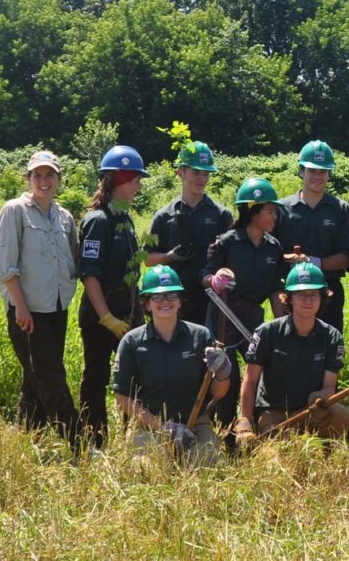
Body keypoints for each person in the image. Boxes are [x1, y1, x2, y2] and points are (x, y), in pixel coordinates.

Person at [0, 150, 81, 452]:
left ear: (59, 179)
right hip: (28, 313)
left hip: (57, 310)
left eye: (50, 175)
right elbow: (5, 266)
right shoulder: (14, 211)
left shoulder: (65, 217)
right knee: (51, 376)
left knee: (35, 378)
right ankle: (79, 443)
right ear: (29, 179)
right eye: (37, 175)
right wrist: (20, 306)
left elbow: (73, 259)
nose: (44, 181)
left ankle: (29, 441)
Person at [112, 265, 231, 465]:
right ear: (147, 304)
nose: (165, 302)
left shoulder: (200, 336)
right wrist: (164, 429)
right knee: (148, 468)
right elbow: (122, 397)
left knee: (209, 463)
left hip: (195, 424)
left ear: (179, 302)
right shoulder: (131, 342)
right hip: (148, 425)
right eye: (157, 297)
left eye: (171, 296)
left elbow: (218, 393)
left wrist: (223, 373)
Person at [201, 177, 288, 433]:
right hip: (223, 315)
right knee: (227, 376)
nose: (275, 217)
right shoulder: (226, 242)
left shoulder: (274, 247)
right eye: (270, 212)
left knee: (259, 371)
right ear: (253, 212)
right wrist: (214, 280)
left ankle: (254, 426)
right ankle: (225, 433)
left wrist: (281, 323)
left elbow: (274, 289)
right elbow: (203, 276)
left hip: (254, 315)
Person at [78, 144, 149, 448]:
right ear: (119, 179)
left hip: (128, 312)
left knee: (132, 379)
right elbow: (90, 274)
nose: (138, 185)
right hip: (100, 314)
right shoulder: (99, 221)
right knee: (96, 377)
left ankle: (132, 440)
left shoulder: (125, 218)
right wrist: (106, 317)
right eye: (135, 180)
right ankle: (95, 442)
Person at [234, 262, 349, 442]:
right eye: (300, 295)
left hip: (311, 411)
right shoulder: (267, 333)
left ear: (322, 298)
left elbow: (329, 386)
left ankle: (327, 448)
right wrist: (245, 421)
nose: (307, 300)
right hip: (275, 412)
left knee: (342, 415)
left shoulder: (332, 336)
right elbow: (250, 380)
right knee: (285, 453)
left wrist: (321, 396)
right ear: (289, 298)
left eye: (313, 295)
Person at [144, 140, 233, 325]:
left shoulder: (221, 215)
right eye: (196, 172)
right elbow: (147, 259)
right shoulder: (163, 216)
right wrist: (170, 256)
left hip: (211, 301)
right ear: (181, 172)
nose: (201, 179)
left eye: (206, 173)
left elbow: (233, 259)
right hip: (173, 301)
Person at [273, 140, 349, 333]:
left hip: (328, 291)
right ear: (302, 171)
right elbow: (271, 254)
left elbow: (345, 257)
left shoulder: (340, 209)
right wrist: (289, 260)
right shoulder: (281, 209)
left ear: (329, 174)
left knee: (328, 352)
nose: (317, 176)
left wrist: (313, 262)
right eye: (312, 171)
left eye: (323, 172)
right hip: (292, 292)